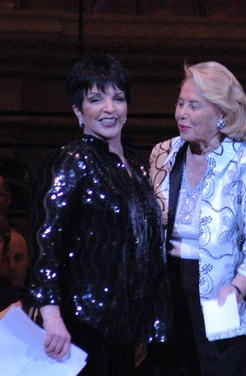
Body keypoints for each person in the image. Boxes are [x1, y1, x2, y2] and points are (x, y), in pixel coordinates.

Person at [29, 55, 170, 376]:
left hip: (126, 326)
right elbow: (44, 241)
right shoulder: (70, 160)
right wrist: (51, 316)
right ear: (78, 110)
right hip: (79, 324)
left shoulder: (136, 163)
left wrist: (144, 326)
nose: (110, 108)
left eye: (118, 98)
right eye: (96, 99)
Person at [148, 61, 246, 375]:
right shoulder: (162, 154)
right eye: (181, 103)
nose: (182, 113)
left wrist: (236, 289)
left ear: (223, 114)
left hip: (227, 304)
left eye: (194, 105)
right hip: (170, 299)